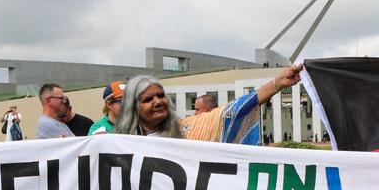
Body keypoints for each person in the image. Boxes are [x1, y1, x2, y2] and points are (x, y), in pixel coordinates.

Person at [115, 65, 302, 144]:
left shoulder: (189, 130)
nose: (158, 102)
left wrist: (278, 83)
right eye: (148, 100)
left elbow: (232, 112)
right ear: (134, 109)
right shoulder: (117, 144)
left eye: (160, 95)